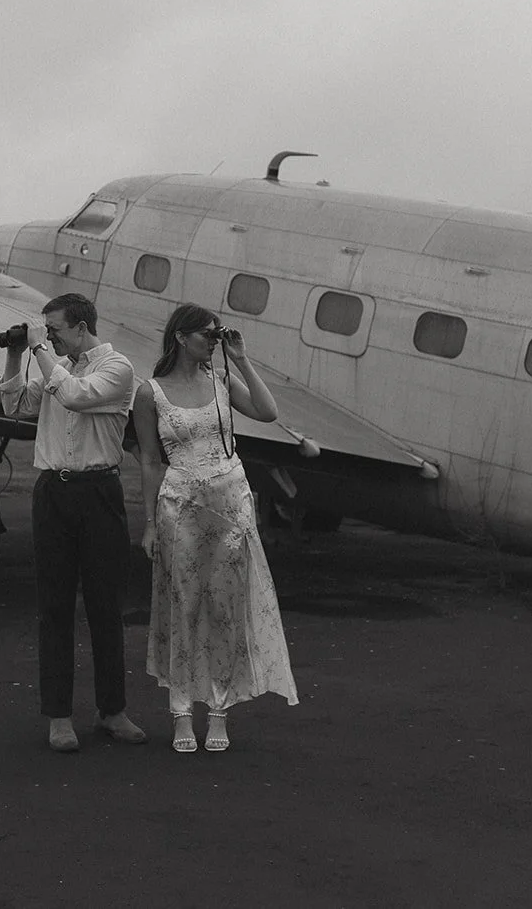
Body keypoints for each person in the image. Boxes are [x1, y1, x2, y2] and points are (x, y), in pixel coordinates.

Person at [132, 303, 298, 754]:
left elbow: (267, 411)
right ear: (181, 337)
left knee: (226, 608)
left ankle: (220, 709)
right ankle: (182, 709)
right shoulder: (150, 393)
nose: (213, 340)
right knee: (183, 605)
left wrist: (240, 357)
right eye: (207, 334)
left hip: (231, 502)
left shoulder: (221, 380)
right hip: (181, 506)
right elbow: (149, 460)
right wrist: (148, 523)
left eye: (215, 334)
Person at [0, 293, 148, 752]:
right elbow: (14, 406)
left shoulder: (118, 369)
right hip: (54, 492)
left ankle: (112, 710)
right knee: (55, 607)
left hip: (99, 492)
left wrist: (41, 351)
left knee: (106, 607)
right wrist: (15, 352)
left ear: (81, 327)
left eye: (55, 328)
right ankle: (59, 717)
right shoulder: (54, 368)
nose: (51, 336)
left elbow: (78, 397)